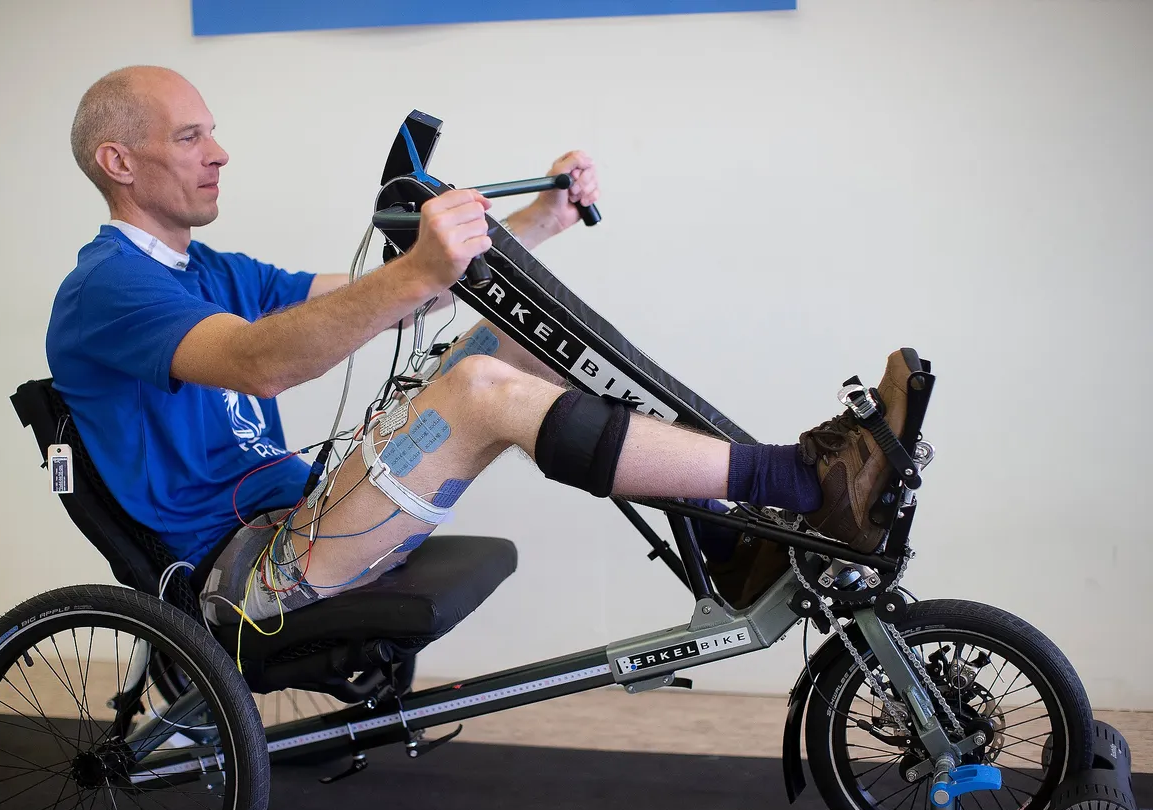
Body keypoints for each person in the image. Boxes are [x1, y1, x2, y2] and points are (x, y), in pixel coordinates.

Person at [48, 66, 911, 628]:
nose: (220, 152)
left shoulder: (215, 268)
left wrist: (541, 220)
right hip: (253, 571)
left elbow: (371, 307)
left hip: (316, 510)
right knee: (476, 394)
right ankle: (794, 479)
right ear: (119, 161)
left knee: (517, 338)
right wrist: (419, 265)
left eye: (212, 131)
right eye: (191, 137)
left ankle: (734, 534)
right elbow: (263, 360)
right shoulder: (107, 289)